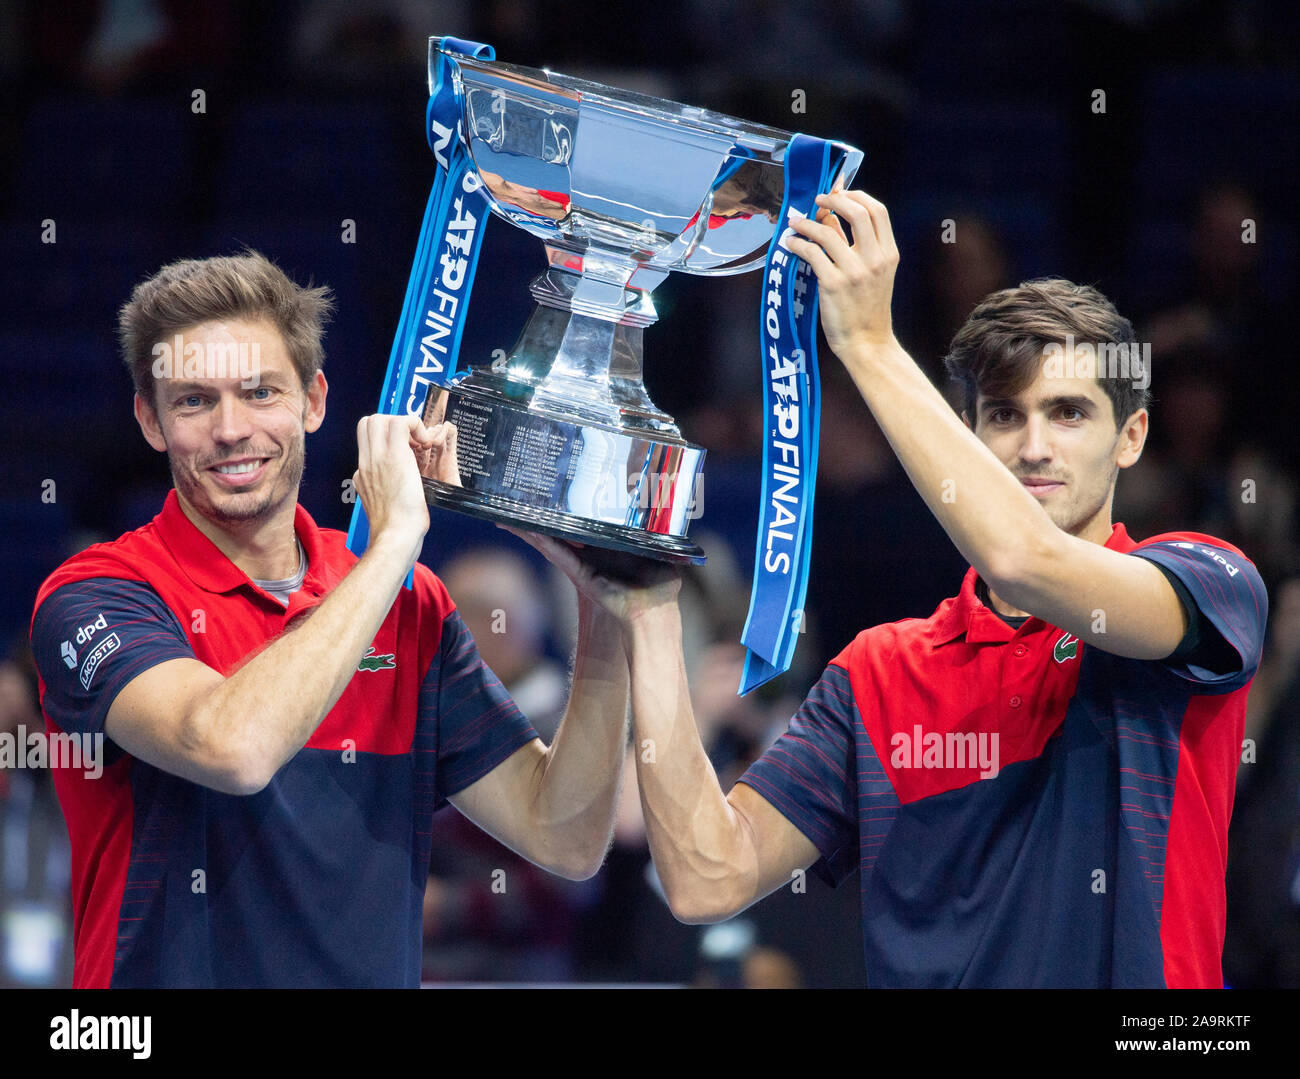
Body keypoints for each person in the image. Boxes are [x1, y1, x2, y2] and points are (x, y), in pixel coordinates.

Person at [528, 190, 1269, 988]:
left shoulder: (1206, 580)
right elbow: (708, 874)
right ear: (967, 433)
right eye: (1003, 415)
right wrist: (650, 611)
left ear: (1131, 438)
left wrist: (870, 344)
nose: (1034, 446)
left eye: (1068, 413)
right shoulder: (878, 672)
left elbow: (1025, 561)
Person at [28, 252, 630, 988]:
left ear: (313, 400)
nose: (230, 429)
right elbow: (233, 748)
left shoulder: (411, 606)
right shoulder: (98, 593)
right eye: (193, 401)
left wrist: (604, 607)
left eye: (259, 392)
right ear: (150, 420)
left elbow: (564, 836)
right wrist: (396, 541)